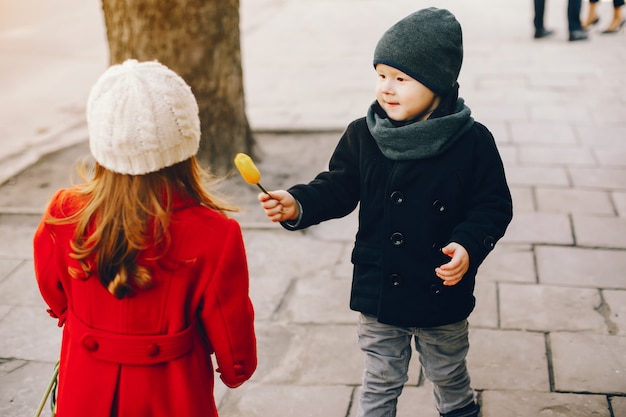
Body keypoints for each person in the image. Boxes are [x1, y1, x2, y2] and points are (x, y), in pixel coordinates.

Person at [257, 8, 512, 417]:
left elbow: (493, 205)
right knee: (380, 377)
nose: (387, 88)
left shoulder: (473, 142)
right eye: (381, 75)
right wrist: (299, 203)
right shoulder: (364, 133)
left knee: (447, 371)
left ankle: (461, 410)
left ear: (438, 83)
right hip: (382, 289)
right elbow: (338, 186)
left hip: (439, 287)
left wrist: (467, 245)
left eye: (401, 78)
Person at [33, 59, 257, 417]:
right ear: (185, 145)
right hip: (172, 392)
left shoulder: (65, 211)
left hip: (86, 385)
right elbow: (229, 323)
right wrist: (236, 368)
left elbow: (54, 289)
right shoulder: (215, 232)